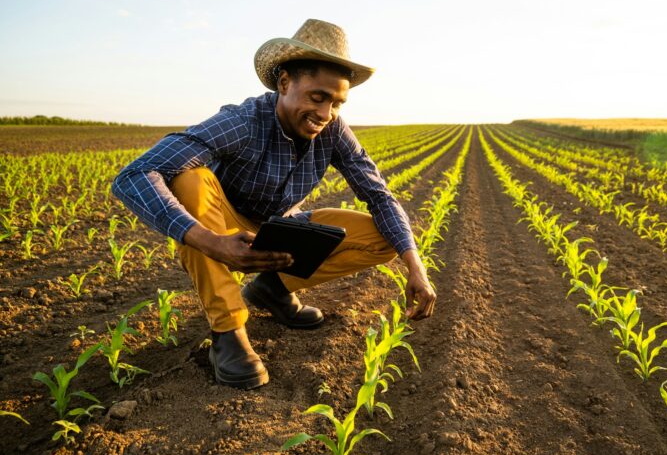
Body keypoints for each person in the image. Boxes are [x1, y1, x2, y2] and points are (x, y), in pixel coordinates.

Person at [112, 19, 436, 390]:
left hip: (280, 228)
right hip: (222, 224)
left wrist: (415, 266)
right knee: (190, 179)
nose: (326, 113)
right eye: (317, 97)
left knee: (384, 238)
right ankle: (228, 330)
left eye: (336, 102)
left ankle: (272, 288)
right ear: (284, 83)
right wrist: (208, 240)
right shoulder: (243, 121)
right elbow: (135, 175)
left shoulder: (333, 130)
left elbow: (379, 195)